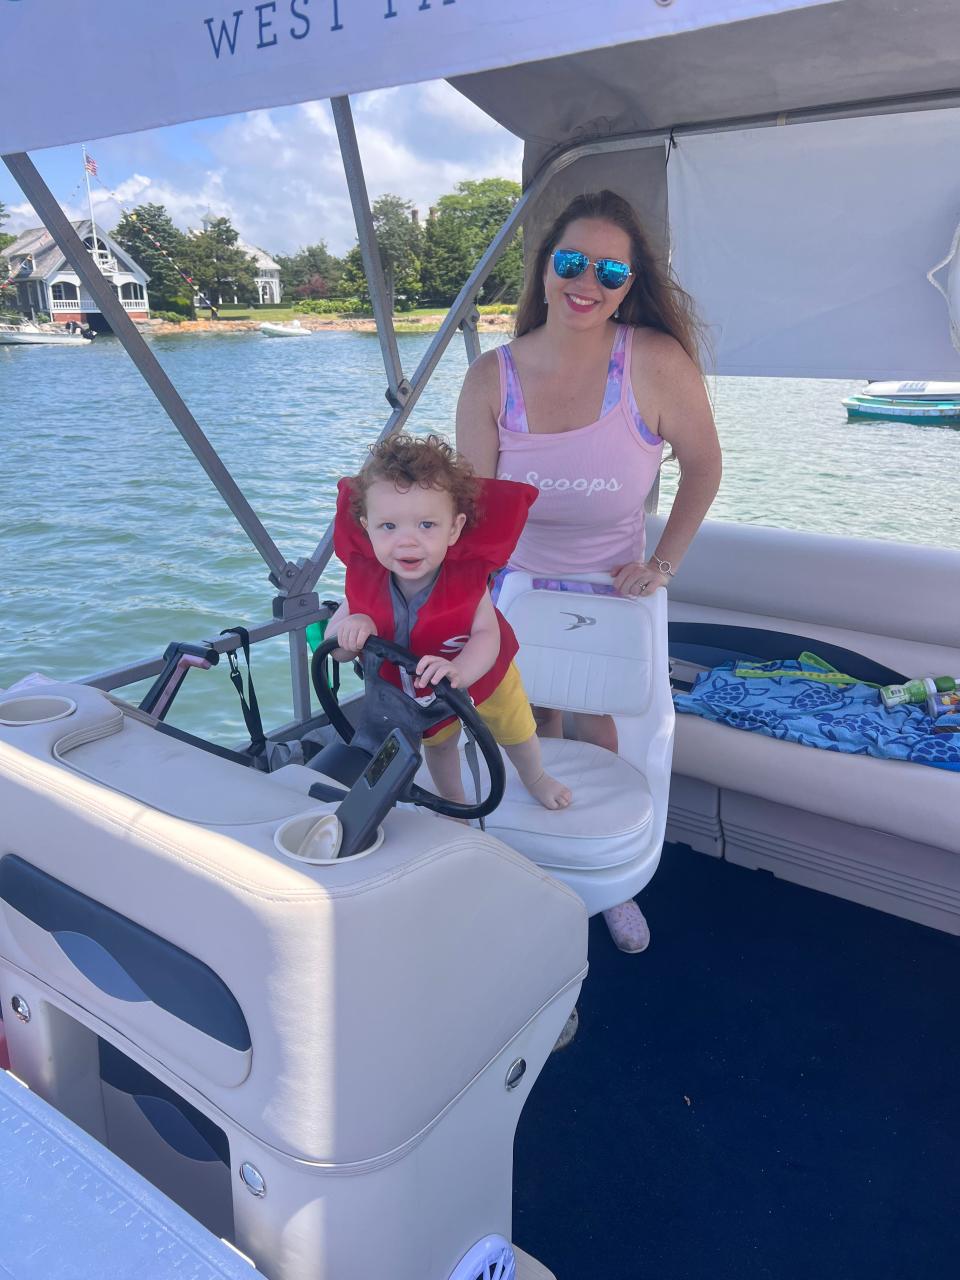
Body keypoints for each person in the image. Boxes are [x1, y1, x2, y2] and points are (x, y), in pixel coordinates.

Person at [456, 189, 722, 953]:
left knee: (599, 727)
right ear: (544, 270)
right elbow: (474, 509)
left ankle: (605, 881)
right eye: (572, 262)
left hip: (617, 583)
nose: (588, 283)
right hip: (520, 585)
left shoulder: (654, 362)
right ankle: (540, 870)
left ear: (629, 286)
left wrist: (662, 562)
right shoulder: (490, 378)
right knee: (528, 724)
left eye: (611, 272)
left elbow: (704, 466)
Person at [327, 433, 573, 810]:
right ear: (367, 527)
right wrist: (350, 629)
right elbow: (338, 651)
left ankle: (535, 776)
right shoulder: (364, 587)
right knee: (439, 747)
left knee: (517, 731)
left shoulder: (466, 582)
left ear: (454, 529)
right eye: (388, 527)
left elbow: (487, 635)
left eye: (426, 525)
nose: (407, 542)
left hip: (484, 679)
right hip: (421, 691)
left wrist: (460, 671)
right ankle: (453, 800)